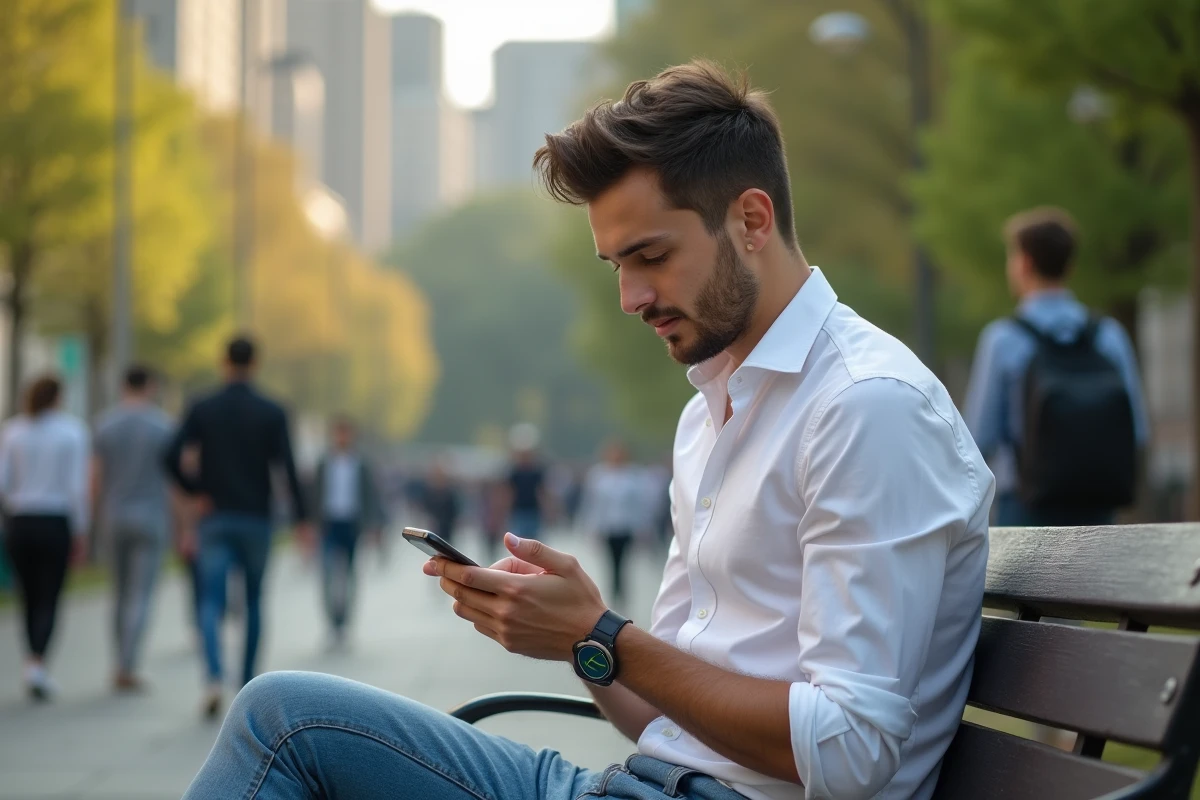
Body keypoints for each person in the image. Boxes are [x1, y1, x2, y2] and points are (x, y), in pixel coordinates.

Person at [184, 61, 993, 800]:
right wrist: (580, 636)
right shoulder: (710, 409)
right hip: (647, 784)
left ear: (752, 220)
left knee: (285, 722)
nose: (631, 297)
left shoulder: (865, 408)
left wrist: (603, 631)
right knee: (286, 720)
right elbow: (662, 713)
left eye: (651, 256)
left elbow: (850, 753)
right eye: (617, 266)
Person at [964, 207, 1149, 527]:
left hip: (1025, 507)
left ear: (1024, 263)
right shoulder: (1109, 335)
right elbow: (1138, 429)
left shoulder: (1003, 339)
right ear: (1070, 265)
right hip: (1098, 507)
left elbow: (978, 438)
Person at [164, 336, 311, 718]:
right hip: (257, 519)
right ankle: (246, 684)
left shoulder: (203, 406)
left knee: (210, 600)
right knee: (254, 601)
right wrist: (302, 519)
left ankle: (213, 674)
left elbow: (168, 455)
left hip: (215, 517)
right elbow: (288, 468)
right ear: (255, 363)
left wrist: (197, 490)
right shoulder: (272, 410)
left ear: (223, 362)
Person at [0, 375, 89, 701]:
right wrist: (81, 529)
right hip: (54, 520)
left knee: (27, 594)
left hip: (20, 520)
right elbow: (76, 487)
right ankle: (38, 662)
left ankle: (31, 662)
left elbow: (3, 481)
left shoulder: (13, 431)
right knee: (49, 595)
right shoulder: (72, 431)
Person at [92, 364, 176, 692]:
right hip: (152, 516)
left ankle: (118, 661)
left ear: (123, 385)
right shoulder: (164, 427)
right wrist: (184, 526)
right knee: (140, 594)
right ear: (150, 386)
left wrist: (90, 519)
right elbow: (174, 482)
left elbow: (95, 478)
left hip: (114, 515)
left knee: (118, 592)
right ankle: (128, 662)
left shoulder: (105, 424)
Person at [309, 416, 385, 647]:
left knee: (350, 577)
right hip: (329, 523)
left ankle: (345, 622)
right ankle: (332, 621)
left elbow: (371, 496)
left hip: (352, 524)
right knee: (328, 575)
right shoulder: (324, 463)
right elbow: (313, 495)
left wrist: (373, 526)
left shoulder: (361, 464)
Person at [576, 440, 646, 608]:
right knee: (610, 563)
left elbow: (640, 504)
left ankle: (622, 596)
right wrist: (591, 527)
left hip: (626, 527)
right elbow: (592, 504)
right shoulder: (599, 476)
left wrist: (642, 527)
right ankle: (612, 595)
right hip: (607, 528)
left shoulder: (633, 476)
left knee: (623, 563)